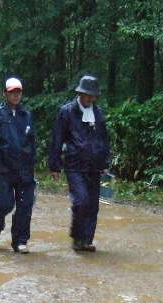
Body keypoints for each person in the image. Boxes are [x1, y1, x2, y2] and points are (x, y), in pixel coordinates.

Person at [48, 75, 111, 252]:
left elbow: (103, 138)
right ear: (80, 93)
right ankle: (77, 236)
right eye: (88, 95)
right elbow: (57, 139)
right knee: (81, 201)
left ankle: (86, 240)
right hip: (74, 164)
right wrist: (54, 165)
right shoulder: (66, 112)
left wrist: (106, 161)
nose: (91, 98)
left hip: (95, 165)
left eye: (93, 95)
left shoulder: (97, 112)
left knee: (93, 204)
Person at [0, 77, 36, 253]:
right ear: (5, 93)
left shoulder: (26, 116)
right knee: (4, 204)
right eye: (12, 92)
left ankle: (20, 241)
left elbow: (31, 143)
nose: (16, 95)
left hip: (24, 170)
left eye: (18, 92)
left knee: (25, 205)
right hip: (3, 169)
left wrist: (32, 166)